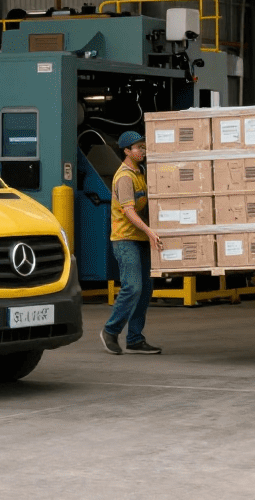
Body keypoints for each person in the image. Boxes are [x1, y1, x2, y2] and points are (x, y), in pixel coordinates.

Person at [102, 131, 162, 355]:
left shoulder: (141, 173)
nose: (142, 151)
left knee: (145, 289)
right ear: (126, 151)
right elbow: (129, 211)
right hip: (125, 239)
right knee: (133, 286)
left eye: (144, 147)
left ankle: (135, 339)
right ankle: (110, 330)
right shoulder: (124, 177)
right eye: (138, 148)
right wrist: (150, 231)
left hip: (141, 238)